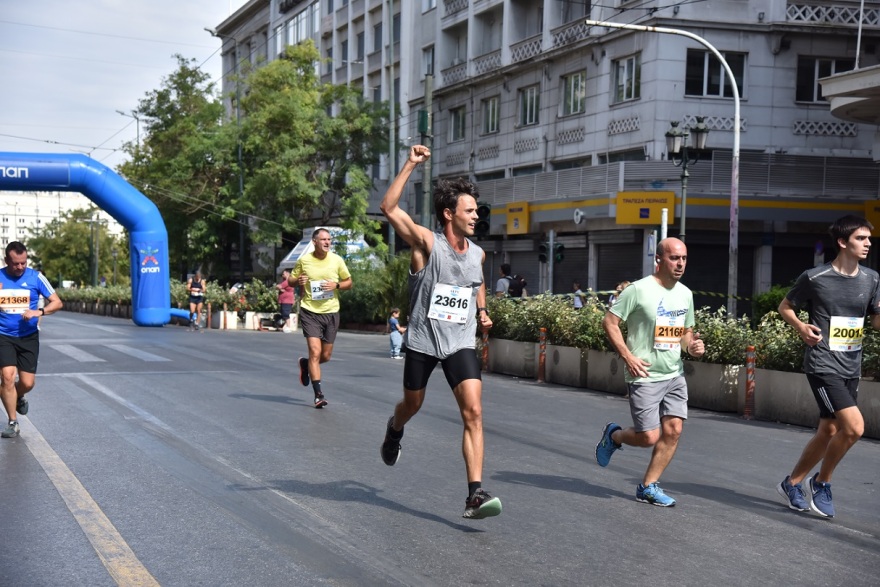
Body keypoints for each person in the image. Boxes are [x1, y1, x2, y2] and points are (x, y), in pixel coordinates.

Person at [379, 144, 502, 520]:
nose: (476, 216)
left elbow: (476, 281)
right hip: (422, 341)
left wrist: (482, 311)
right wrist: (410, 165)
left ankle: (474, 494)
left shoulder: (478, 253)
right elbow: (389, 209)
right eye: (469, 211)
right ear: (449, 214)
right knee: (412, 405)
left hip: (460, 343)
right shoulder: (428, 244)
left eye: (477, 210)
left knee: (474, 412)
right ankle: (394, 427)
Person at [774, 215, 880, 518]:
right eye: (861, 238)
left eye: (869, 238)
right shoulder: (815, 277)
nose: (868, 243)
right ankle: (821, 482)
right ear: (843, 242)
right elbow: (785, 306)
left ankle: (791, 483)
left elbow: (875, 320)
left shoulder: (872, 279)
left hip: (851, 365)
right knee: (855, 427)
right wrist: (800, 327)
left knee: (829, 428)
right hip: (823, 363)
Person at [595, 237, 704, 507]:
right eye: (674, 258)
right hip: (644, 374)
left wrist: (692, 347)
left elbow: (684, 333)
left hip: (673, 373)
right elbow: (610, 322)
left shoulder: (685, 294)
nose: (680, 264)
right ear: (659, 260)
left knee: (674, 429)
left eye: (684, 259)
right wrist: (627, 355)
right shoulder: (637, 290)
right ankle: (614, 435)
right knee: (649, 437)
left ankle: (647, 486)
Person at [0, 242, 63, 438]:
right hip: (4, 335)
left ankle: (18, 396)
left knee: (27, 383)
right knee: (7, 377)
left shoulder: (36, 277)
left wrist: (39, 311)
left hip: (28, 337)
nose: (20, 267)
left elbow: (57, 302)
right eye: (15, 264)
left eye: (23, 263)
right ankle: (13, 422)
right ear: (6, 261)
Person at [291, 228, 353, 409]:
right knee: (315, 352)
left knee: (325, 356)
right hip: (310, 311)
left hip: (331, 312)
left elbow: (349, 282)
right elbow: (291, 281)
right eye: (323, 239)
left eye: (329, 240)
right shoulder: (304, 261)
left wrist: (337, 285)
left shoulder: (337, 260)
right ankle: (318, 395)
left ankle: (305, 363)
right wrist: (298, 282)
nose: (327, 242)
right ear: (314, 242)